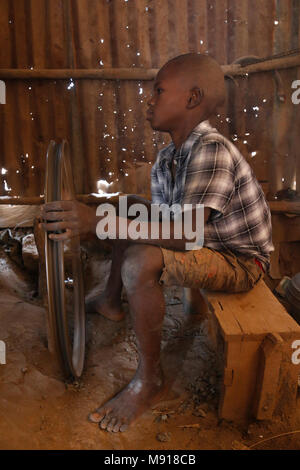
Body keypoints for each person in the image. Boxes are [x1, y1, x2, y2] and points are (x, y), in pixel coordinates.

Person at [41, 53, 273, 433]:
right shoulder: (168, 157)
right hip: (204, 242)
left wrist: (98, 224)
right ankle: (110, 301)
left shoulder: (211, 149)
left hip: (239, 260)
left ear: (192, 99)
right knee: (130, 208)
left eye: (158, 91)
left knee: (139, 260)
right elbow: (163, 221)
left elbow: (186, 233)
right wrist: (116, 218)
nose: (149, 100)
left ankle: (149, 383)